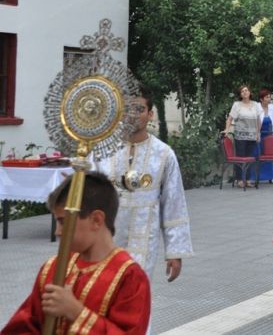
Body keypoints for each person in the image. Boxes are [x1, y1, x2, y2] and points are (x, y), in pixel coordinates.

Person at [3, 172, 151, 333]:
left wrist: (76, 312)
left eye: (63, 222)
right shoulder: (53, 267)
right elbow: (26, 324)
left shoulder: (129, 277)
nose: (58, 232)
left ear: (96, 220)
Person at [94, 89, 193, 280]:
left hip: (144, 235)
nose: (133, 115)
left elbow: (174, 202)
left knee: (136, 290)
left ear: (150, 114)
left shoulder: (164, 154)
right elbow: (88, 196)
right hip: (106, 235)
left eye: (139, 109)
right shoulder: (102, 151)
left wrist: (175, 252)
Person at [225, 84, 264, 186]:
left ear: (250, 92)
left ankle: (247, 180)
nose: (245, 92)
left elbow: (259, 121)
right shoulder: (237, 105)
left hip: (252, 136)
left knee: (250, 158)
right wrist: (226, 130)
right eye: (242, 91)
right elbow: (229, 119)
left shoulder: (256, 104)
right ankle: (240, 180)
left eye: (246, 90)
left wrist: (258, 133)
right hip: (240, 136)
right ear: (240, 94)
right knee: (240, 158)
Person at [258, 89, 273, 183]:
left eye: (269, 96)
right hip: (260, 135)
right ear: (261, 99)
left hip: (269, 135)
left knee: (269, 155)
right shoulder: (257, 107)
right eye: (267, 97)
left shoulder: (272, 107)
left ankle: (271, 176)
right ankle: (257, 176)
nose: (269, 98)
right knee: (258, 155)